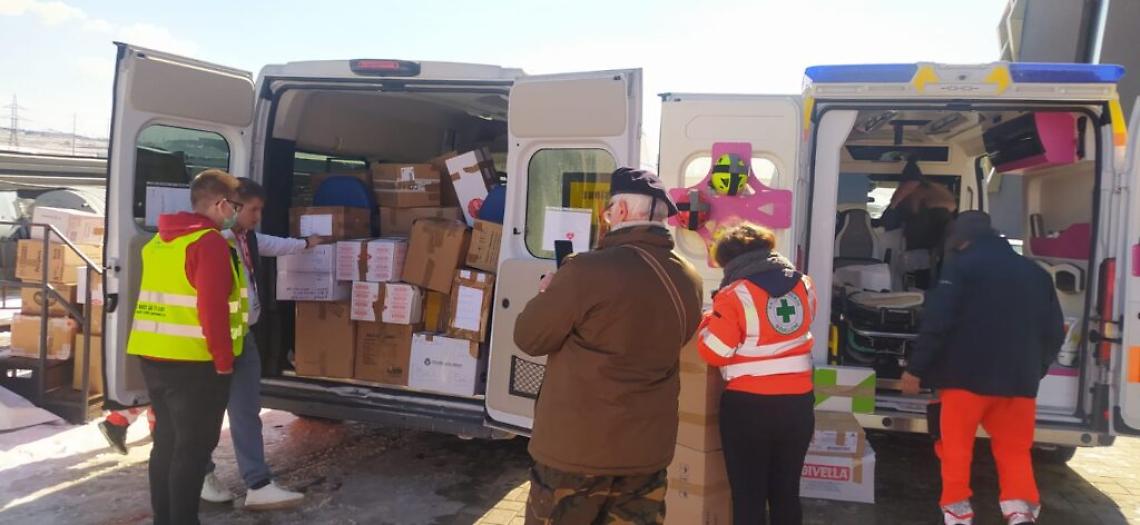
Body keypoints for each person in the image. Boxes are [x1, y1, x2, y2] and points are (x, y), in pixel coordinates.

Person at [515, 167, 703, 524]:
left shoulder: (586, 271)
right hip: (646, 452)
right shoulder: (688, 278)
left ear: (619, 213)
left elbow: (529, 338)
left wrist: (547, 293)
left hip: (575, 453)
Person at [901, 211, 1065, 525]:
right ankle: (1019, 511)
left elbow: (938, 323)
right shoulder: (1036, 273)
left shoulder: (960, 268)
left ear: (961, 239)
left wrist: (916, 368)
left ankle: (957, 512)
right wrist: (1037, 367)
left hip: (965, 381)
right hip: (1019, 382)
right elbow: (1054, 331)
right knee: (1015, 450)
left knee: (956, 448)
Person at [127, 169, 248, 525]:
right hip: (195, 363)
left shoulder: (160, 242)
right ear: (220, 203)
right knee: (193, 451)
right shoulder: (208, 244)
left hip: (153, 356)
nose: (234, 213)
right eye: (234, 206)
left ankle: (165, 519)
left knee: (166, 443)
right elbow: (210, 308)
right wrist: (223, 362)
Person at [198, 177, 321, 509]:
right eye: (253, 209)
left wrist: (308, 243)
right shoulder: (214, 243)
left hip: (243, 338)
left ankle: (258, 483)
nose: (257, 216)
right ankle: (202, 474)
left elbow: (273, 244)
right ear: (231, 206)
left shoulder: (245, 238)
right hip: (215, 341)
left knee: (246, 413)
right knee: (207, 413)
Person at [697, 223, 817, 525]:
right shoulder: (804, 284)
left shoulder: (734, 294)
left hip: (748, 409)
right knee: (786, 492)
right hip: (798, 406)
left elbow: (715, 352)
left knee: (749, 496)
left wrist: (705, 325)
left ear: (731, 262)